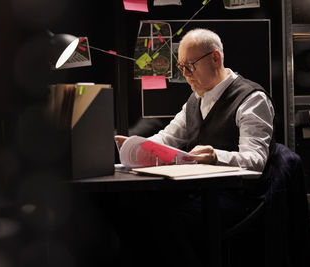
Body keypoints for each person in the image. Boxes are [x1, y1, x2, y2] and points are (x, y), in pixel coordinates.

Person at [114, 28, 275, 267]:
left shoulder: (251, 99)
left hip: (236, 198)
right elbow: (166, 138)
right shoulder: (195, 99)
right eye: (182, 67)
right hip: (200, 193)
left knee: (166, 222)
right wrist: (135, 146)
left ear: (215, 58)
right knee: (135, 211)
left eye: (191, 65)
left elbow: (256, 160)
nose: (186, 74)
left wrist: (216, 156)